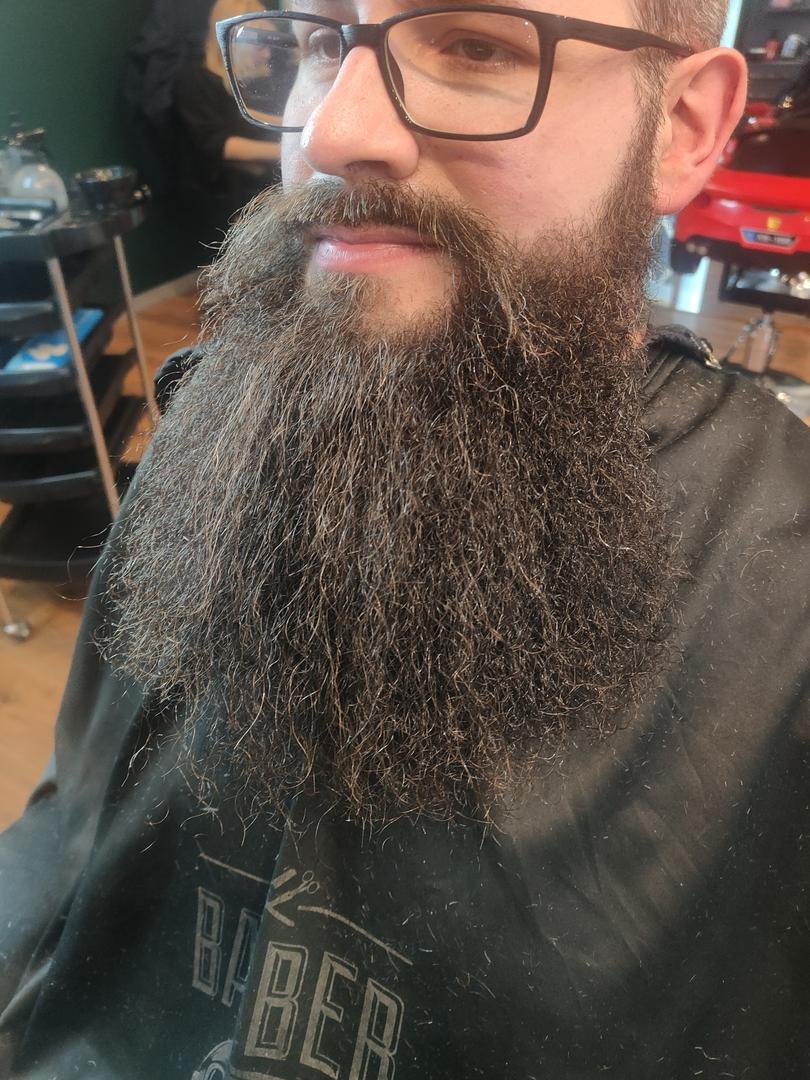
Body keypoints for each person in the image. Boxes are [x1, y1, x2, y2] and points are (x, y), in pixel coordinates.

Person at [2, 1, 809, 1077]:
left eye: (475, 46)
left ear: (684, 128)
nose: (334, 132)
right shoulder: (217, 413)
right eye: (318, 44)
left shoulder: (784, 590)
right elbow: (71, 826)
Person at [175, 0, 281, 238]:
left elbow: (240, 114)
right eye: (260, 46)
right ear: (235, 40)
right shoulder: (193, 79)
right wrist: (285, 150)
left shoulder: (225, 78)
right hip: (215, 193)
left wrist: (285, 122)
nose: (267, 54)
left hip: (242, 186)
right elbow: (217, 144)